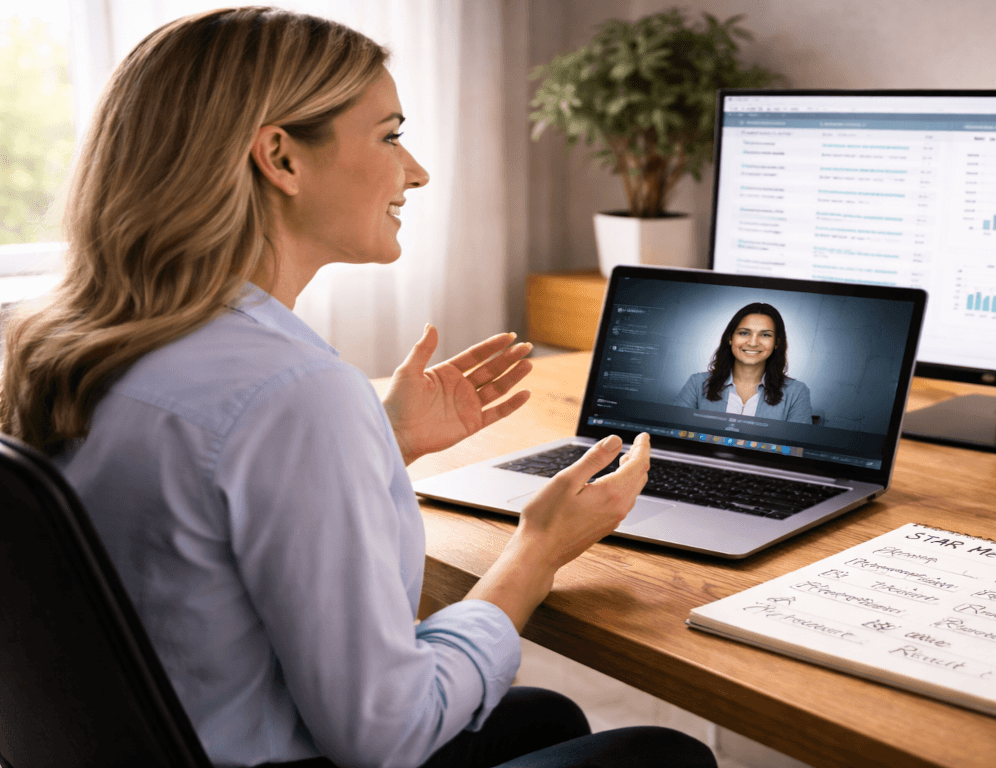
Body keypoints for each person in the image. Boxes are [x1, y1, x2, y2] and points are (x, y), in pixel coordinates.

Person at [0, 8, 716, 768]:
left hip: (151, 741)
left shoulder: (56, 340)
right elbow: (387, 735)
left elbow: (190, 521)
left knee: (540, 717)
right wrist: (537, 552)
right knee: (659, 756)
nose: (416, 171)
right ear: (280, 157)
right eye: (389, 135)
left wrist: (382, 441)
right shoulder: (291, 390)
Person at [674, 303, 813, 424]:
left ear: (776, 342)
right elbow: (676, 436)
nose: (753, 343)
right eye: (744, 333)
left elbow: (795, 451)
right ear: (730, 338)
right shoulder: (696, 384)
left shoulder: (797, 392)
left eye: (765, 335)